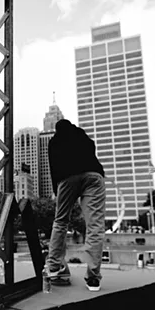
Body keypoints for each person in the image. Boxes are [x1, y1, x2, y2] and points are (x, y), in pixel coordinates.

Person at [45, 119, 106, 292]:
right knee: (95, 225)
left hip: (67, 177)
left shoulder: (55, 141)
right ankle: (93, 278)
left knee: (61, 220)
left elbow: (53, 168)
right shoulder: (81, 133)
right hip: (93, 176)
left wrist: (58, 192)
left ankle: (54, 265)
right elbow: (91, 147)